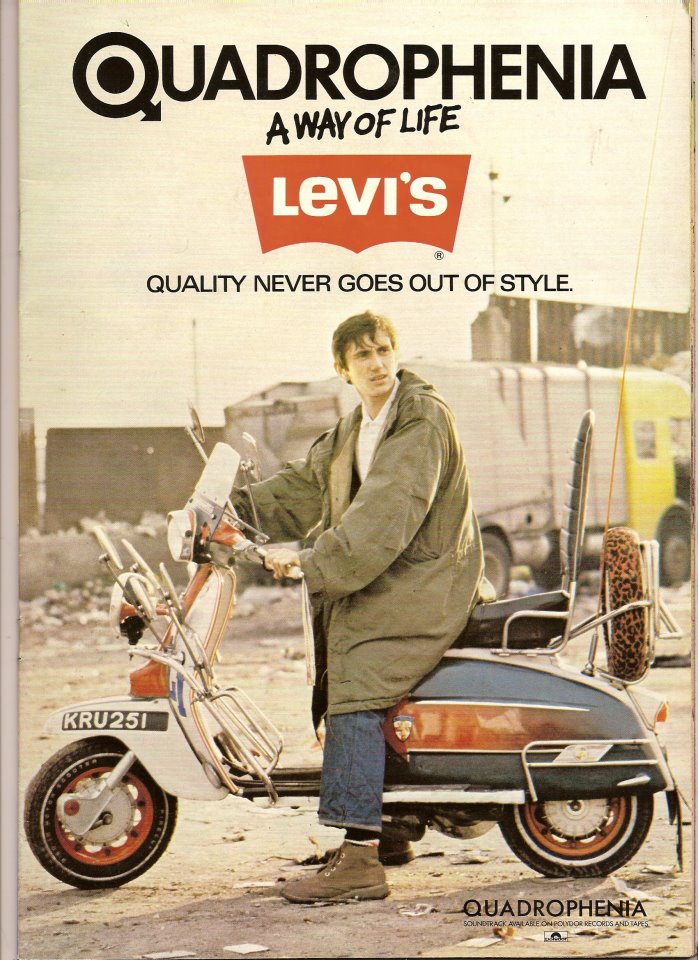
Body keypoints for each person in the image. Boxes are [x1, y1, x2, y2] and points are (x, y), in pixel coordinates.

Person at [231, 311, 484, 903]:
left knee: (355, 674)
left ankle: (361, 859)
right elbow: (303, 485)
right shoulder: (356, 427)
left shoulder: (420, 417)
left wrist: (312, 560)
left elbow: (388, 511)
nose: (377, 363)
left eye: (384, 350)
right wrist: (230, 508)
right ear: (341, 369)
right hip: (396, 577)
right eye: (363, 355)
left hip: (428, 579)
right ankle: (390, 826)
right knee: (345, 646)